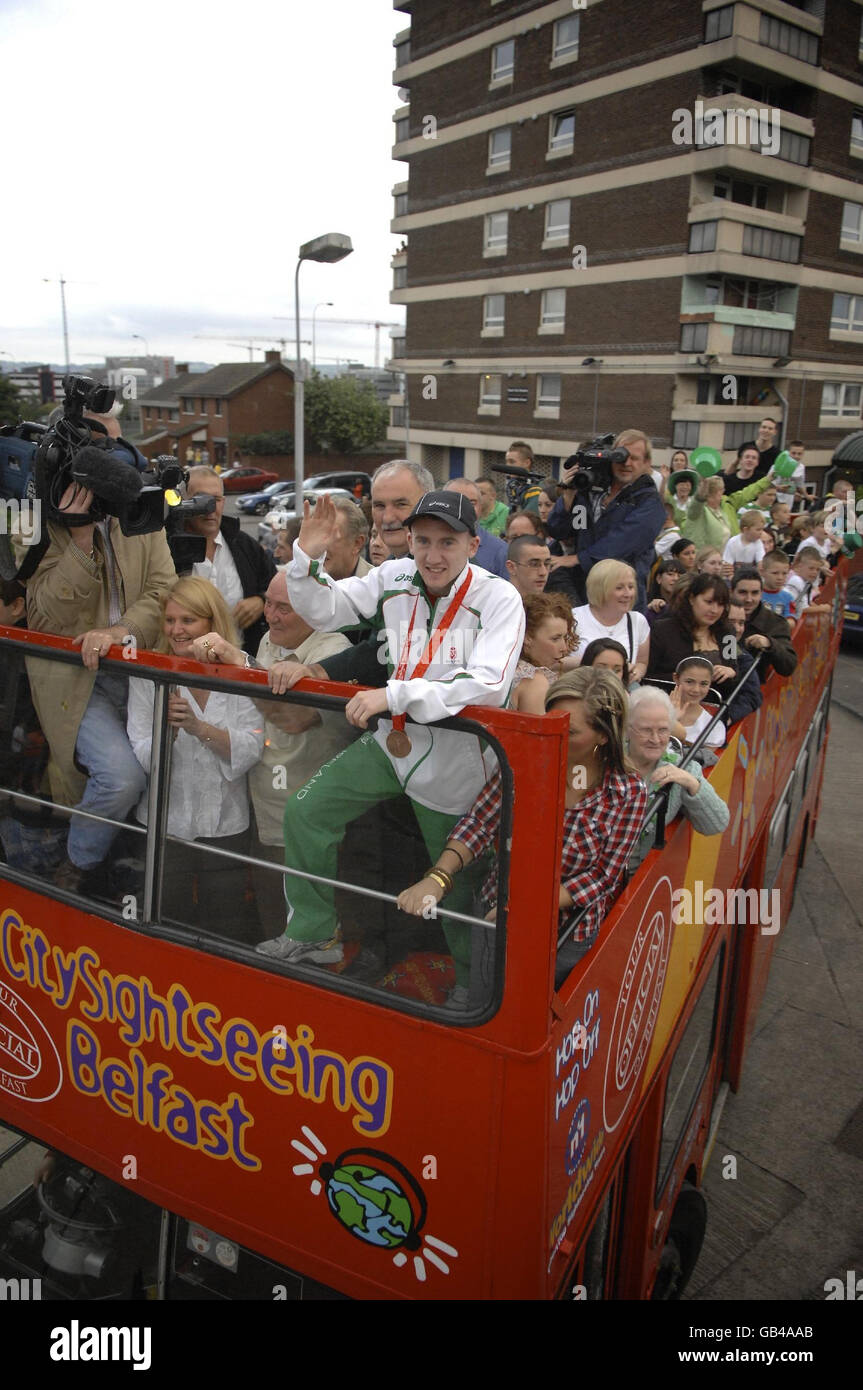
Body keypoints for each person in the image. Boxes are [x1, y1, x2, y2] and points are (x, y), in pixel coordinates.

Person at [258, 491, 525, 1003]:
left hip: (456, 758)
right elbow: (326, 611)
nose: (433, 554)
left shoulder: (498, 597)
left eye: (448, 542)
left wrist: (393, 694)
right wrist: (306, 558)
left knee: (457, 885)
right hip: (390, 741)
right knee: (306, 811)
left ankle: (473, 988)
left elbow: (488, 684)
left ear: (473, 544)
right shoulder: (395, 575)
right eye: (423, 540)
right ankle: (314, 934)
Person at [397, 667, 649, 972]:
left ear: (603, 735)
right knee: (485, 993)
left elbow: (603, 876)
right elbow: (480, 822)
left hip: (566, 936)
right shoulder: (524, 764)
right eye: (550, 722)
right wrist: (437, 878)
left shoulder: (629, 792)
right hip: (495, 917)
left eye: (569, 731)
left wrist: (528, 908)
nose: (554, 736)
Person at [25, 479, 176, 894]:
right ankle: (76, 864)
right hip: (75, 679)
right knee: (121, 777)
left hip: (139, 670)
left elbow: (165, 590)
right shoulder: (41, 520)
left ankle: (132, 873)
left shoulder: (144, 514)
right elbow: (46, 610)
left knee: (164, 770)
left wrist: (120, 630)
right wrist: (79, 539)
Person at [188, 572, 354, 930]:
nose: (271, 616)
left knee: (300, 929)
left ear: (315, 611)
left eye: (284, 608)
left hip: (302, 823)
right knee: (270, 921)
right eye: (268, 603)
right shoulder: (270, 640)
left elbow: (295, 718)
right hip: (261, 811)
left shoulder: (335, 652)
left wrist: (240, 664)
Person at [126, 578, 265, 942]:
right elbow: (142, 756)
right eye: (170, 621)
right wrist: (168, 732)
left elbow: (253, 747)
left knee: (227, 924)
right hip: (164, 825)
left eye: (188, 620)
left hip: (227, 826)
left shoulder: (242, 669)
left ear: (211, 623)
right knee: (166, 925)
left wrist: (197, 727)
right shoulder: (147, 674)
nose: (177, 630)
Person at [546, 429, 666, 612]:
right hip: (583, 593)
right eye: (620, 457)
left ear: (647, 463)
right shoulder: (590, 490)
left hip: (623, 599)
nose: (626, 463)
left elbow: (622, 543)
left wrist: (576, 558)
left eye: (634, 458)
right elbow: (559, 530)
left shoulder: (649, 502)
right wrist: (568, 497)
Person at [626, 686, 729, 871]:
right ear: (628, 728)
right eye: (646, 730)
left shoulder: (683, 766)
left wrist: (691, 783)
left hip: (641, 878)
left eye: (663, 730)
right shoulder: (606, 759)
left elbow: (717, 823)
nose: (656, 739)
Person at [183, 466, 276, 656]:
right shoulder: (168, 550)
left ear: (223, 502)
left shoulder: (245, 546)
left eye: (216, 500)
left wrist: (261, 601)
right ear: (185, 502)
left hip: (240, 665)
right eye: (202, 499)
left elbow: (277, 588)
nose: (210, 508)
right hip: (186, 667)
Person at [646, 573, 737, 685]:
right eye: (709, 602)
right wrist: (687, 679)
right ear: (692, 599)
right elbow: (648, 676)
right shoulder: (662, 630)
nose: (715, 610)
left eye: (721, 604)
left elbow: (734, 667)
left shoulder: (728, 633)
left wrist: (731, 673)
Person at [571, 559, 650, 681]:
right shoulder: (573, 618)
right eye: (619, 588)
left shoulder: (638, 621)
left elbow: (642, 663)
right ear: (599, 589)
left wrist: (635, 673)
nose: (628, 594)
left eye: (631, 587)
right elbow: (553, 662)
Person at [510, 592, 578, 714]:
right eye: (555, 639)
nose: (564, 648)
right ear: (527, 637)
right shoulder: (534, 681)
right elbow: (537, 732)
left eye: (565, 637)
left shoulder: (506, 665)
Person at [729, 567, 798, 680]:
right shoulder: (718, 616)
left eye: (754, 593)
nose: (749, 599)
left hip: (751, 688)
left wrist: (770, 644)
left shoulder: (775, 623)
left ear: (761, 594)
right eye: (743, 592)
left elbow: (789, 666)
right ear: (731, 592)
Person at [683, 470, 775, 552]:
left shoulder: (727, 504)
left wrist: (767, 480)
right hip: (703, 560)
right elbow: (694, 508)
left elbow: (747, 493)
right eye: (722, 489)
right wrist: (699, 497)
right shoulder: (699, 509)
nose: (724, 491)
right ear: (716, 492)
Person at [445, 478, 509, 578]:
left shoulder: (500, 551)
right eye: (456, 502)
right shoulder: (426, 544)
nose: (464, 508)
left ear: (480, 507)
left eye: (471, 503)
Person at [670, 656, 726, 751]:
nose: (696, 690)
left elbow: (705, 760)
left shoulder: (713, 727)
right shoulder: (653, 707)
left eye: (703, 684)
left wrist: (678, 733)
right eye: (689, 682)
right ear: (676, 678)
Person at [723, 601, 763, 727]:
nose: (737, 629)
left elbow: (752, 696)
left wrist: (727, 716)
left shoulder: (744, 658)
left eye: (741, 623)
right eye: (731, 622)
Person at [780, 546, 825, 619]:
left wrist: (818, 608)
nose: (815, 572)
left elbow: (808, 602)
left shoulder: (806, 582)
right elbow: (802, 609)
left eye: (817, 570)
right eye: (811, 568)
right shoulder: (796, 581)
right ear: (800, 566)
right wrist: (822, 609)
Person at [646, 558, 686, 625]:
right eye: (670, 574)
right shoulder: (645, 600)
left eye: (679, 576)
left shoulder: (685, 602)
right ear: (659, 578)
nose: (675, 579)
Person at [758, 550, 794, 620]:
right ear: (763, 572)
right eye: (775, 573)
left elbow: (791, 620)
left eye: (784, 573)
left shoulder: (788, 597)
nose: (780, 578)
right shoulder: (755, 594)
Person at [775, 440, 807, 509]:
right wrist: (778, 487)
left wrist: (806, 496)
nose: (796, 456)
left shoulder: (801, 467)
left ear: (803, 454)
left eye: (799, 454)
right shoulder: (779, 464)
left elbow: (800, 485)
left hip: (789, 502)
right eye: (793, 453)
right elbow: (767, 483)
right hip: (775, 499)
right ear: (788, 452)